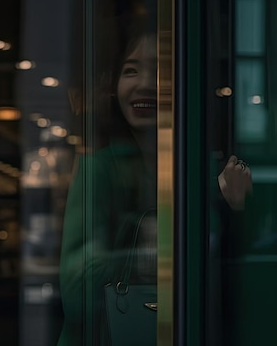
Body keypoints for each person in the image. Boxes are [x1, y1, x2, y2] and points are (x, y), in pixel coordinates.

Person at [57, 23, 252, 346]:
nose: (145, 84)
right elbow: (76, 291)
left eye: (162, 71)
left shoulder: (209, 170)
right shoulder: (100, 169)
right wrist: (152, 243)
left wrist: (235, 207)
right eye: (131, 70)